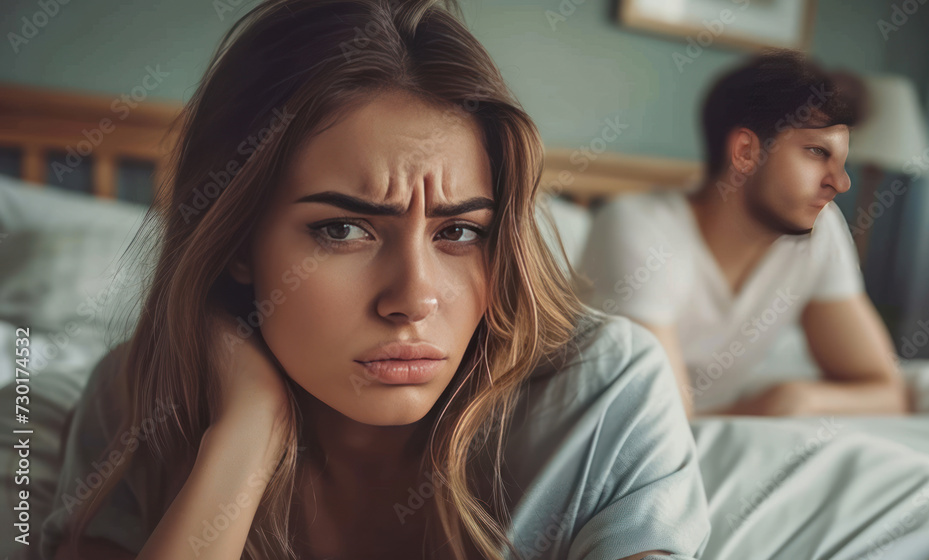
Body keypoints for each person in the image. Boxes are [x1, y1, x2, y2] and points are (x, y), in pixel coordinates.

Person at [40, 1, 710, 559]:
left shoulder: (603, 396)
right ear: (237, 241)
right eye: (343, 230)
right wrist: (244, 433)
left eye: (459, 232)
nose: (414, 298)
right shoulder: (135, 404)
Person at [578, 50, 908, 419]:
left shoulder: (820, 229)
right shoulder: (637, 228)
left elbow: (886, 392)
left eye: (840, 161)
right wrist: (752, 412)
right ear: (746, 152)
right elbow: (660, 427)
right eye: (816, 152)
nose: (841, 183)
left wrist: (799, 398)